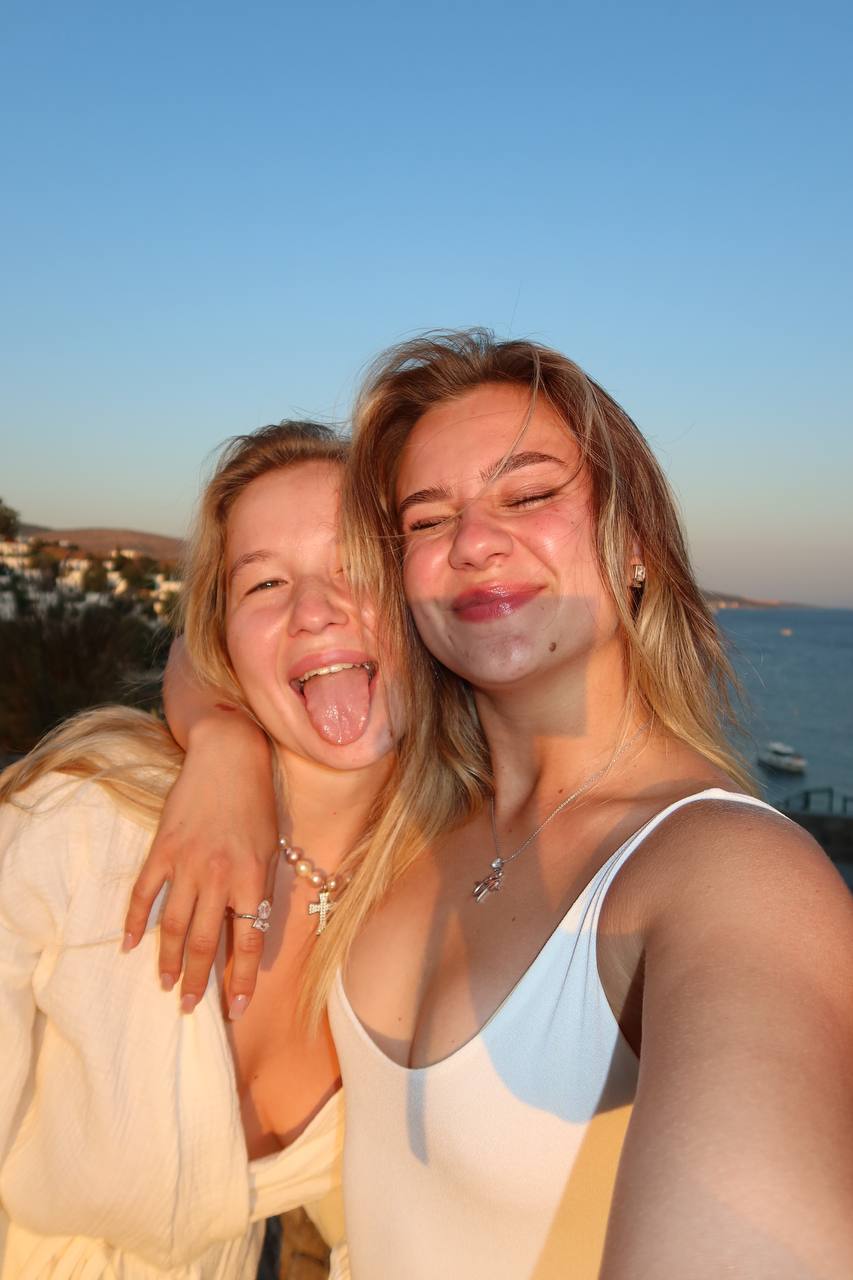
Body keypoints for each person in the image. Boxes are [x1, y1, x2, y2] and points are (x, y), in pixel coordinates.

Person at [131, 334, 853, 1279]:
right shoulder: (406, 811)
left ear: (635, 541)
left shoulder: (727, 874)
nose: (473, 542)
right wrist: (222, 742)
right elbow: (217, 643)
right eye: (427, 520)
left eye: (529, 494)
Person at [0, 421, 399, 1278]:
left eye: (357, 568)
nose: (315, 609)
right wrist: (222, 736)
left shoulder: (453, 888)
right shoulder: (85, 824)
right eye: (265, 582)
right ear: (222, 639)